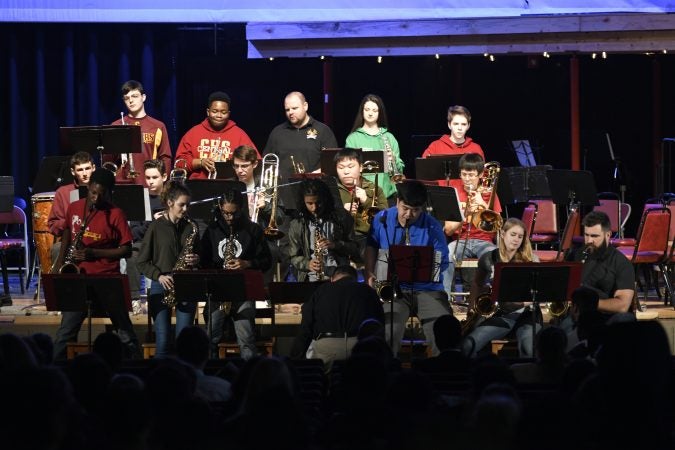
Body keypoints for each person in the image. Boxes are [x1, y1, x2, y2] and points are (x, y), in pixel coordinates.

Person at [52, 168, 140, 359]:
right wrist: (60, 264)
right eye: (93, 192)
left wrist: (93, 253)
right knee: (65, 333)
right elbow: (68, 231)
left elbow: (126, 250)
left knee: (125, 333)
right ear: (88, 187)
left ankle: (138, 365)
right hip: (79, 279)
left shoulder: (115, 213)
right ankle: (55, 371)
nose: (96, 198)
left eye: (101, 194)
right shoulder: (75, 207)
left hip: (107, 279)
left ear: (108, 193)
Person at [364, 179, 451, 355]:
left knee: (441, 333)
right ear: (397, 202)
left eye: (415, 210)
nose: (409, 215)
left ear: (423, 208)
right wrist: (369, 272)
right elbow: (371, 245)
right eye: (405, 208)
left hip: (427, 289)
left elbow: (443, 260)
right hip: (394, 290)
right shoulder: (381, 219)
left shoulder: (433, 225)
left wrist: (427, 269)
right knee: (388, 333)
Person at [200, 187, 272, 359]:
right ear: (220, 207)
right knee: (210, 338)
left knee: (246, 339)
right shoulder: (212, 230)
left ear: (241, 209)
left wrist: (246, 263)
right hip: (219, 291)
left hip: (244, 291)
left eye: (233, 213)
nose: (229, 218)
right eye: (225, 213)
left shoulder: (252, 230)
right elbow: (204, 262)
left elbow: (266, 261)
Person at [136, 181, 200, 358]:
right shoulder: (155, 227)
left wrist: (197, 258)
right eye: (182, 204)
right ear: (170, 203)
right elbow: (141, 262)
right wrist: (159, 276)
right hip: (161, 285)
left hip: (186, 284)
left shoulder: (191, 226)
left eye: (188, 204)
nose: (185, 209)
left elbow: (202, 255)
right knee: (162, 342)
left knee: (183, 343)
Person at [461, 218, 540, 358]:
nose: (516, 239)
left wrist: (519, 304)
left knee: (528, 348)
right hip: (502, 315)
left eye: (520, 236)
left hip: (527, 315)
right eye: (513, 234)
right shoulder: (488, 258)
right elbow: (477, 283)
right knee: (468, 344)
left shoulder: (532, 259)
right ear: (503, 234)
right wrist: (471, 308)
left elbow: (539, 291)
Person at [290, 265, 385, 370]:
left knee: (323, 378)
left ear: (332, 279)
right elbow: (378, 326)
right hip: (358, 348)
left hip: (327, 348)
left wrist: (295, 360)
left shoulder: (320, 291)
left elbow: (305, 329)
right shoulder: (367, 290)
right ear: (356, 279)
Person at [443, 152, 500, 296]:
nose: (467, 179)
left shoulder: (489, 193)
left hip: (484, 242)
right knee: (446, 255)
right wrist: (465, 215)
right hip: (460, 241)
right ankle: (444, 298)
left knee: (495, 258)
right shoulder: (454, 193)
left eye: (471, 175)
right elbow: (449, 230)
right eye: (464, 174)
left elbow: (498, 226)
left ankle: (492, 300)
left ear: (481, 174)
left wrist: (483, 205)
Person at [232, 144, 286, 283]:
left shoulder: (267, 186)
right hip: (235, 236)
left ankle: (263, 291)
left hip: (261, 237)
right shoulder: (230, 187)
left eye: (244, 166)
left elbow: (279, 217)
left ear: (255, 164)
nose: (240, 170)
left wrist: (266, 206)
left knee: (272, 252)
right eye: (236, 166)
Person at [175, 91, 258, 180]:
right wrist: (200, 162)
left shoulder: (239, 134)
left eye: (223, 112)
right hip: (197, 185)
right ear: (208, 112)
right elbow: (178, 164)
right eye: (214, 111)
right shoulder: (193, 133)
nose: (219, 115)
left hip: (230, 186)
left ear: (229, 114)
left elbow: (255, 161)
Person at [288, 178, 359, 281]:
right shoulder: (297, 224)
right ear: (303, 202)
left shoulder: (341, 217)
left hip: (339, 277)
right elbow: (293, 256)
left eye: (318, 202)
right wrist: (308, 264)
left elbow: (355, 248)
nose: (314, 208)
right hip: (311, 279)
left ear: (326, 199)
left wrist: (336, 245)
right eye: (309, 203)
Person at [105, 80, 172, 183]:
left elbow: (165, 158)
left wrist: (161, 182)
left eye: (135, 96)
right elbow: (108, 160)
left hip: (148, 183)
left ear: (143, 97)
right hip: (122, 184)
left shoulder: (158, 126)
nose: (131, 101)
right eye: (127, 98)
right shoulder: (116, 126)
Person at [263, 91, 338, 181]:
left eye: (294, 108)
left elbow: (332, 162)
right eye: (287, 109)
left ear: (305, 106)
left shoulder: (323, 131)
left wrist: (315, 176)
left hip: (314, 190)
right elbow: (267, 163)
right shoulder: (277, 132)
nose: (290, 112)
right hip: (284, 192)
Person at [345, 94, 405, 204]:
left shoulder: (389, 137)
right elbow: (349, 168)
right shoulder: (353, 139)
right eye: (367, 109)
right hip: (363, 195)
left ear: (379, 113)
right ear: (362, 112)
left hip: (388, 196)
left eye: (374, 110)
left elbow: (400, 172)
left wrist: (393, 160)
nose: (370, 113)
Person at [125, 159, 168, 308]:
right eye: (148, 178)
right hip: (144, 244)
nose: (150, 181)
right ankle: (135, 299)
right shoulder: (140, 199)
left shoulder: (171, 198)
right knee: (132, 255)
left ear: (164, 177)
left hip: (167, 244)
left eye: (155, 177)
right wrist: (151, 223)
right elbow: (135, 232)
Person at [334, 148, 387, 259]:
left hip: (365, 237)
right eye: (341, 167)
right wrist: (341, 211)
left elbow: (385, 218)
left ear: (361, 167)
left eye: (350, 166)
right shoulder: (332, 189)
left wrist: (366, 201)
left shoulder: (374, 188)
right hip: (339, 238)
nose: (346, 171)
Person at [47, 151, 96, 265]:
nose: (84, 173)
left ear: (93, 168)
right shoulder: (63, 192)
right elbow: (53, 224)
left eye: (87, 168)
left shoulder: (101, 190)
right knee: (57, 249)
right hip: (70, 241)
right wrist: (70, 223)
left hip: (97, 240)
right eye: (80, 170)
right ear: (73, 172)